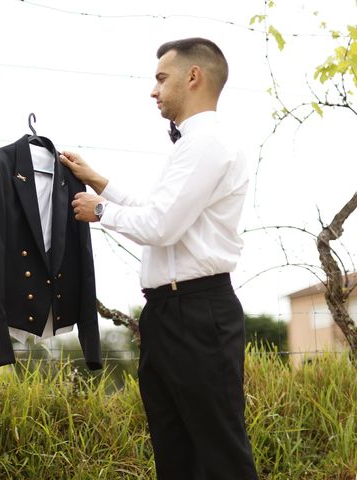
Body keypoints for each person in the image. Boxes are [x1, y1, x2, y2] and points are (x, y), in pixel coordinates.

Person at [59, 38, 259, 480]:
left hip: (198, 314)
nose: (154, 90)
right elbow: (159, 209)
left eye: (161, 78)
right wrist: (99, 181)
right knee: (175, 453)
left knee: (220, 453)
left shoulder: (207, 142)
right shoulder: (193, 145)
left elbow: (161, 226)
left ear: (194, 77)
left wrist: (101, 211)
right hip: (170, 313)